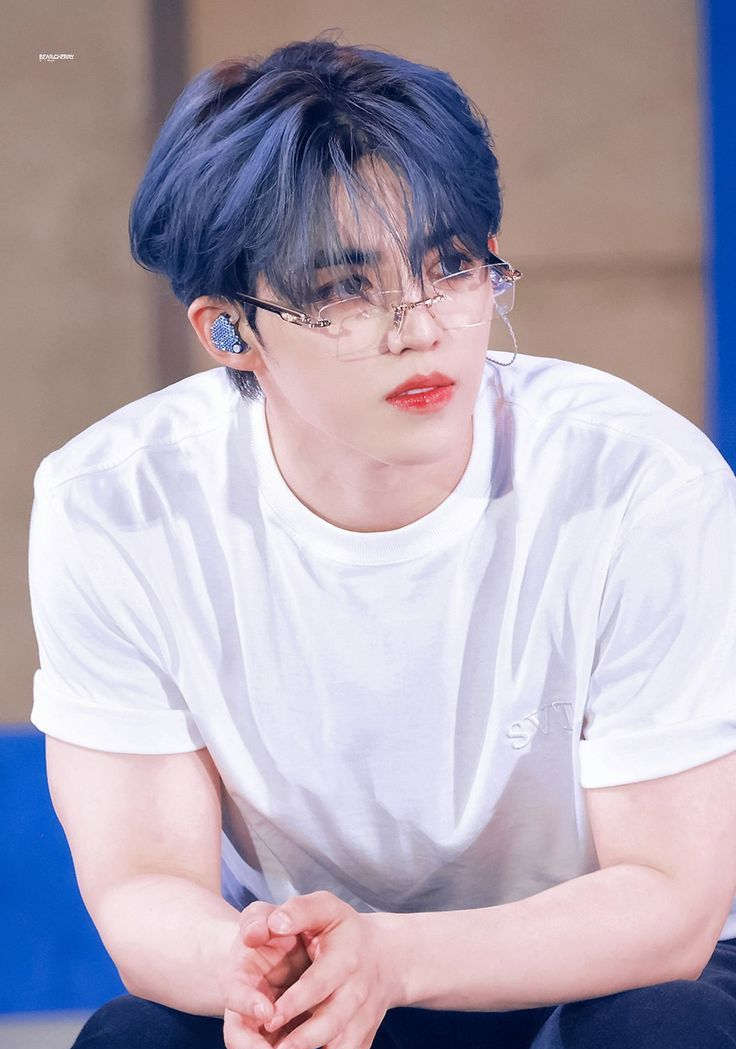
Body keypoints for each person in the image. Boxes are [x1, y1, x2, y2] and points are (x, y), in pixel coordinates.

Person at [28, 36, 736, 1049]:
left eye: (451, 266)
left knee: (664, 1027)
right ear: (228, 331)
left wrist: (395, 956)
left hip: (596, 965)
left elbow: (668, 901)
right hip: (322, 963)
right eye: (344, 289)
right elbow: (143, 882)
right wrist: (257, 973)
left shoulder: (640, 482)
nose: (421, 327)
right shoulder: (118, 503)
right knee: (138, 1038)